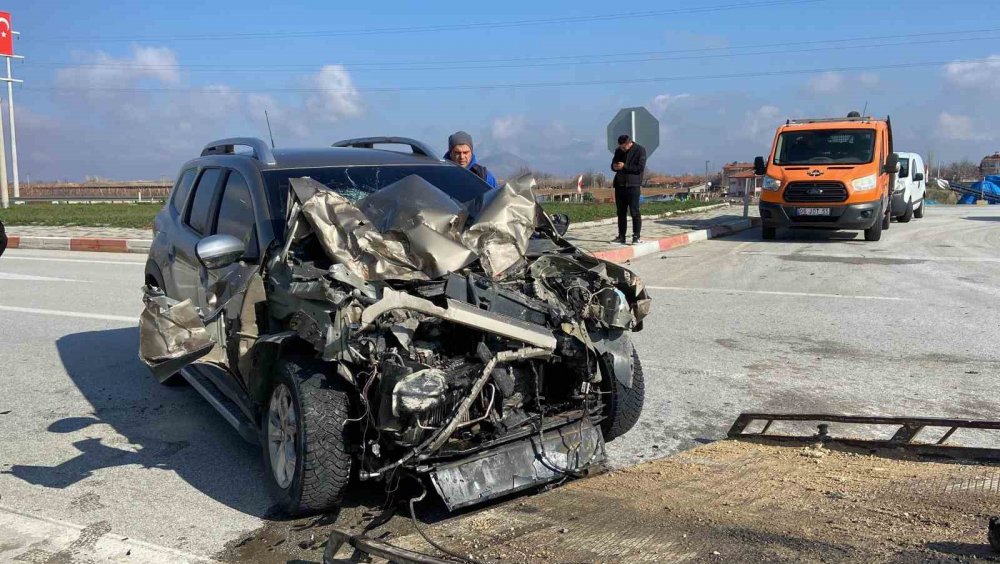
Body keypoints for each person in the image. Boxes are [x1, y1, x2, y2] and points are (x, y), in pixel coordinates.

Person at [610, 134, 647, 245]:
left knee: (634, 212)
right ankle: (621, 237)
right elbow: (613, 165)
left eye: (624, 147)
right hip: (620, 185)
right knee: (621, 212)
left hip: (633, 185)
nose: (622, 149)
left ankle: (636, 237)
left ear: (629, 143)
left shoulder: (640, 150)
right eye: (620, 147)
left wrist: (624, 166)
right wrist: (614, 166)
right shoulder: (618, 151)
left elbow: (639, 168)